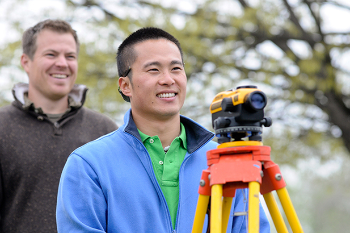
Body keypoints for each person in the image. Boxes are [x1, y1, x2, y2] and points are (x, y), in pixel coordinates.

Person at [56, 27, 270, 232]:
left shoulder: (225, 160)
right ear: (125, 85)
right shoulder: (88, 165)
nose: (168, 80)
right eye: (153, 69)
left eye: (176, 69)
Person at [0, 19, 118, 233]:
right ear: (26, 62)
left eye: (70, 56)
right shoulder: (1, 128)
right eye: (51, 54)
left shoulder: (105, 130)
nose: (62, 63)